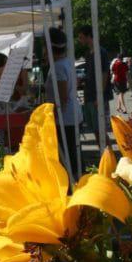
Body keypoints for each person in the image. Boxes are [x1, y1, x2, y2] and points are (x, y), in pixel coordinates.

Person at [45, 27, 82, 176]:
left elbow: (62, 97)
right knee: (73, 155)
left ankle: (73, 183)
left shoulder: (58, 66)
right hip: (71, 115)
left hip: (65, 118)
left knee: (68, 157)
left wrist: (51, 117)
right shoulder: (66, 62)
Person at [75, 24, 112, 143]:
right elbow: (89, 74)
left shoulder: (101, 52)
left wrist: (100, 96)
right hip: (89, 95)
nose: (79, 40)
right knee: (95, 129)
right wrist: (81, 80)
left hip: (97, 96)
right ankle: (104, 151)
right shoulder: (88, 53)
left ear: (88, 36)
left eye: (81, 37)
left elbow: (105, 74)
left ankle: (108, 151)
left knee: (101, 129)